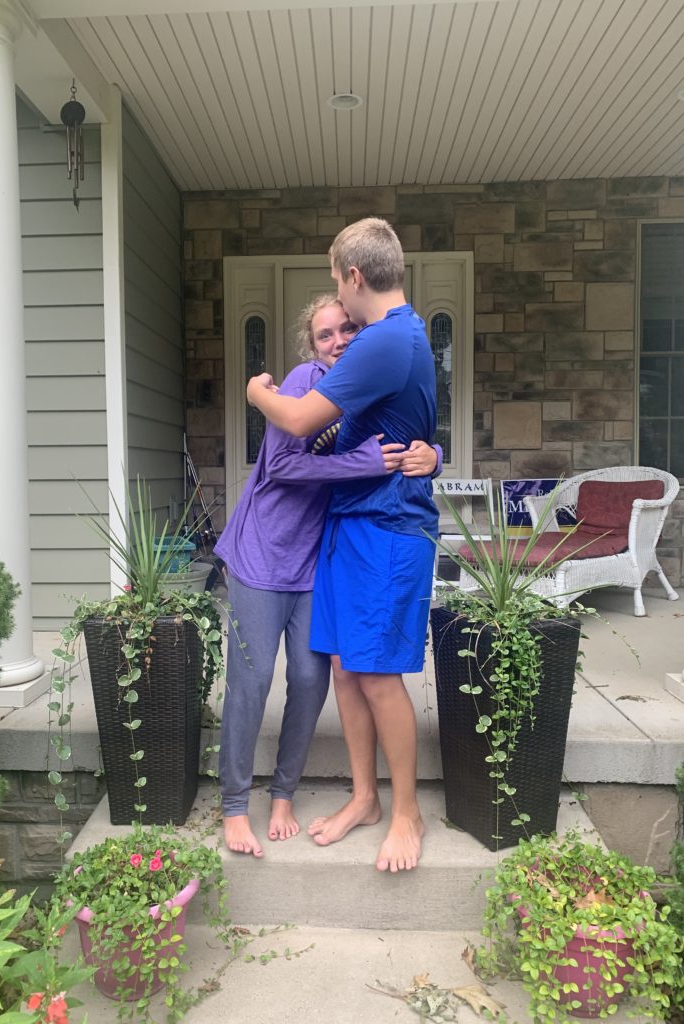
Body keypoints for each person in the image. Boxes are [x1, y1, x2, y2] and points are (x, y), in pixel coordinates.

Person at [247, 218, 439, 873]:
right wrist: (430, 453)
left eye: (337, 280)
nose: (339, 295)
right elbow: (370, 435)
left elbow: (300, 420)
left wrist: (258, 392)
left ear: (354, 277)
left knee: (378, 675)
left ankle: (406, 810)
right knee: (344, 668)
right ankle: (365, 798)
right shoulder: (395, 340)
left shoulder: (385, 340)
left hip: (386, 530)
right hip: (349, 527)